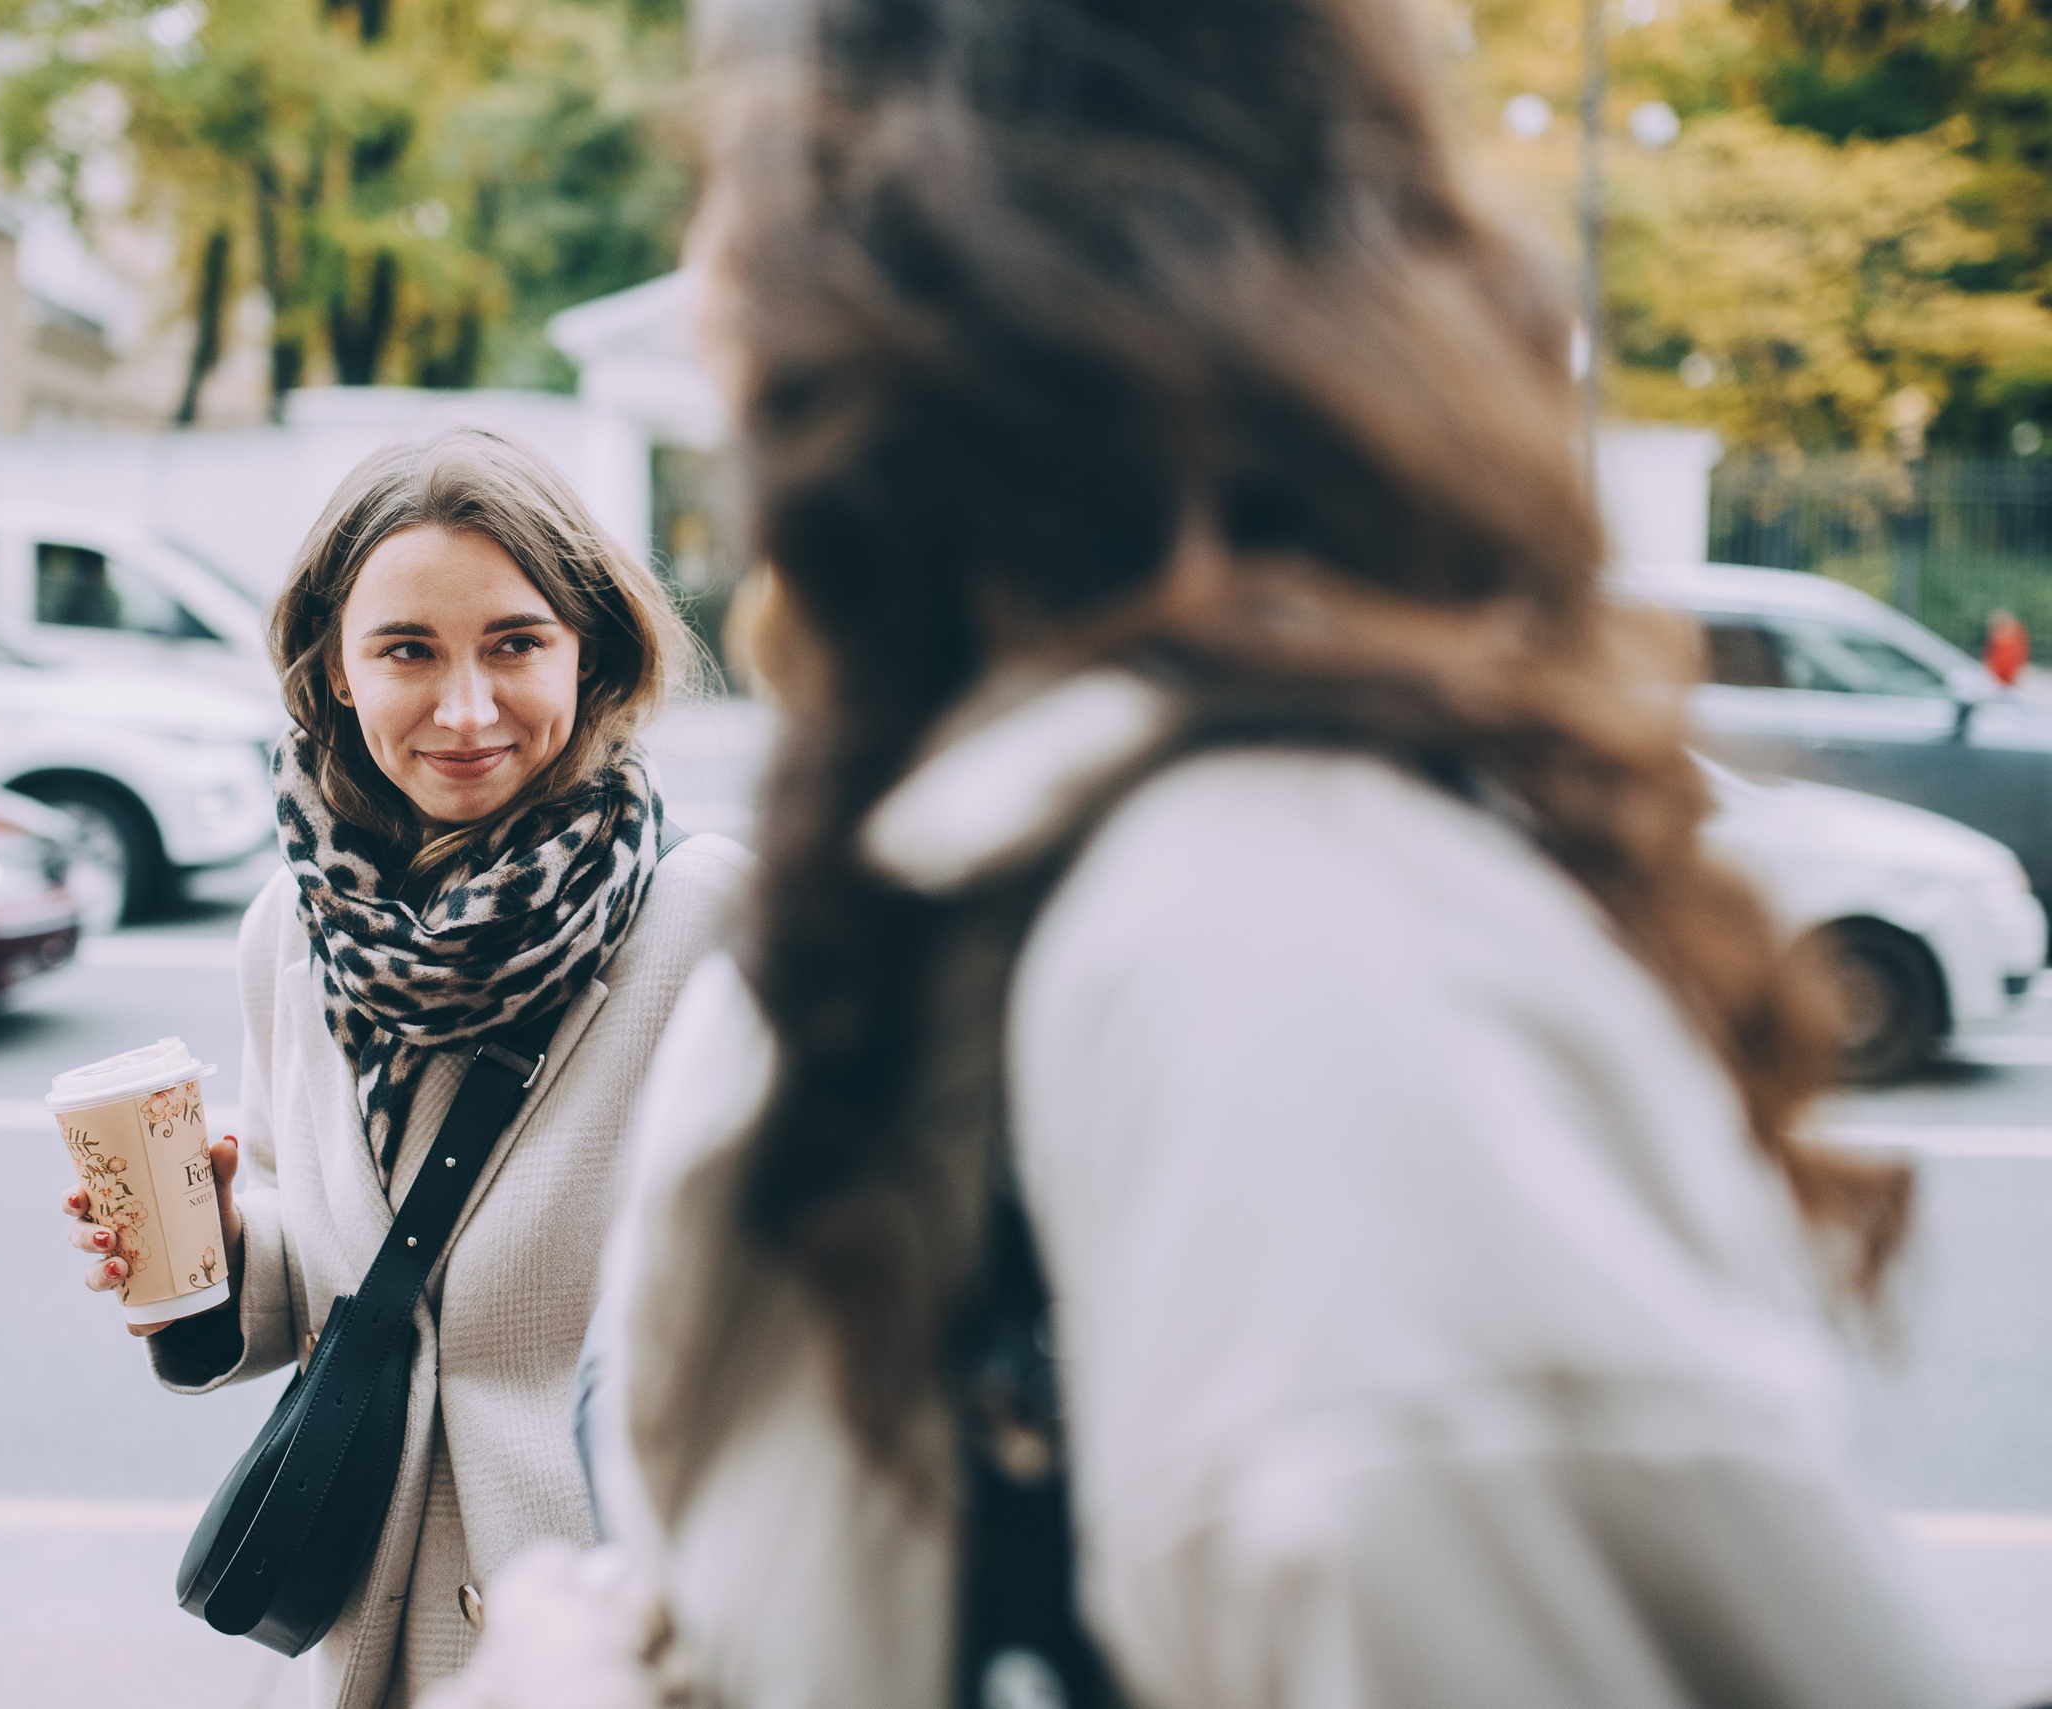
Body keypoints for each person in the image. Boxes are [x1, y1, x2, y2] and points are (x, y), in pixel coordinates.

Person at [428, 0, 1981, 1704]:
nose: (701, 260)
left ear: (908, 272)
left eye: (734, 172)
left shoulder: (1283, 952)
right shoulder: (1000, 873)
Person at [59, 428, 748, 1708]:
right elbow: (339, 1276)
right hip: (377, 1636)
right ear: (333, 666)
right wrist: (211, 1250)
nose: (468, 708)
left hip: (622, 1646)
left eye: (515, 641)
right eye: (407, 649)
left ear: (589, 646)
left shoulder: (712, 922)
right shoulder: (294, 927)